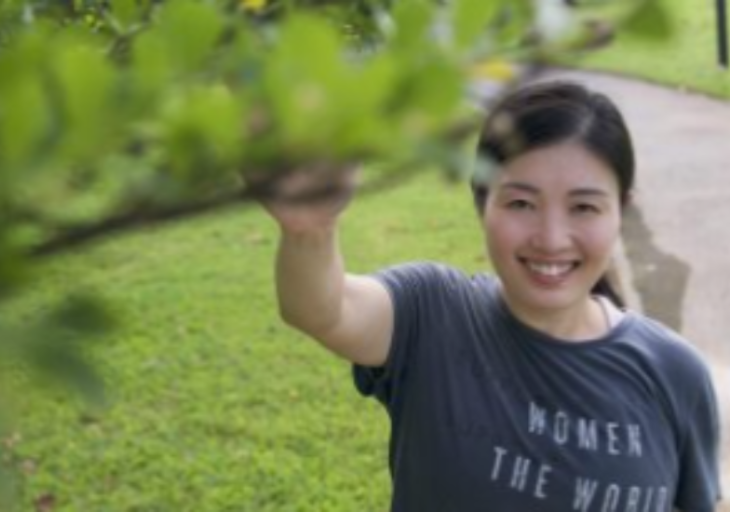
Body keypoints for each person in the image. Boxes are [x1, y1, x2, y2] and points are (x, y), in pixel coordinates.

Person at [259, 81, 722, 512]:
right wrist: (311, 228)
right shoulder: (433, 315)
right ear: (482, 203)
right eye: (521, 203)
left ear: (622, 209)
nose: (551, 239)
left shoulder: (675, 374)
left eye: (584, 207)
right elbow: (323, 310)